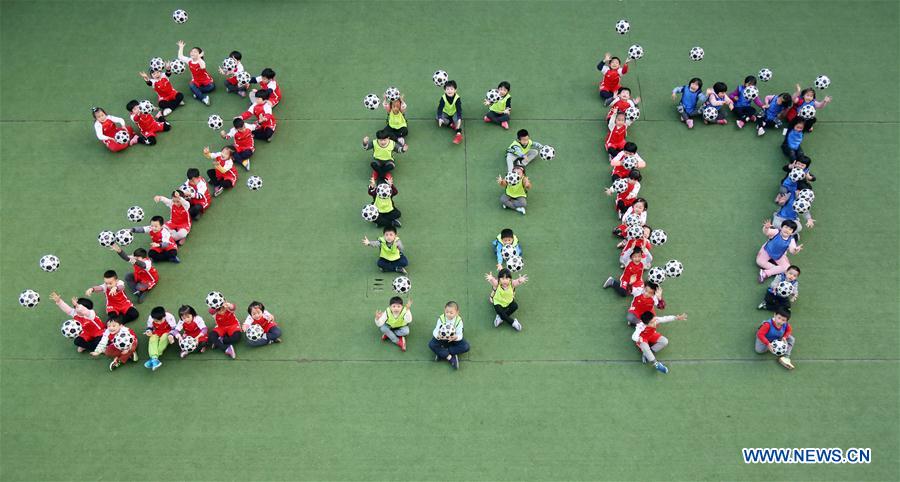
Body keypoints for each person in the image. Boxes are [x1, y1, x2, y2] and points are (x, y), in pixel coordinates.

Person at [428, 301, 469, 370]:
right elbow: (435, 330)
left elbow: (460, 335)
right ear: (444, 310)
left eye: (451, 313)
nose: (448, 314)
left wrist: (456, 337)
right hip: (443, 338)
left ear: (457, 312)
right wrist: (438, 336)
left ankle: (441, 353)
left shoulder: (459, 321)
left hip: (453, 339)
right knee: (431, 344)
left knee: (466, 347)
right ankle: (450, 357)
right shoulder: (441, 318)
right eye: (447, 312)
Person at [176, 40, 215, 105]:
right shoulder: (189, 60)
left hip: (206, 81)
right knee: (191, 85)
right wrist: (181, 47)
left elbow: (202, 67)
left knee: (211, 87)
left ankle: (197, 93)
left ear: (199, 54)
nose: (192, 53)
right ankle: (204, 98)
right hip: (196, 81)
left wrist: (199, 57)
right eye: (192, 51)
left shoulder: (201, 61)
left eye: (195, 52)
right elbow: (180, 56)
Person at [143, 306, 176, 370]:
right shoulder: (151, 318)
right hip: (157, 331)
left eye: (160, 320)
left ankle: (154, 358)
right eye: (156, 321)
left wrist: (171, 335)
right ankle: (155, 359)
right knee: (152, 338)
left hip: (167, 332)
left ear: (164, 316)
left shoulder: (170, 317)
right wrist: (148, 331)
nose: (158, 322)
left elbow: (174, 328)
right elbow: (149, 327)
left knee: (164, 338)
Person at [436, 79, 463, 144]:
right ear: (445, 90)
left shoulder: (457, 98)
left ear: (455, 90)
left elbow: (459, 109)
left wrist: (459, 118)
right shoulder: (443, 98)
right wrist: (440, 118)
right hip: (445, 112)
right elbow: (439, 109)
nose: (449, 91)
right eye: (447, 89)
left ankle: (458, 135)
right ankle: (451, 124)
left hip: (454, 112)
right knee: (437, 117)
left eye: (451, 89)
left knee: (457, 121)